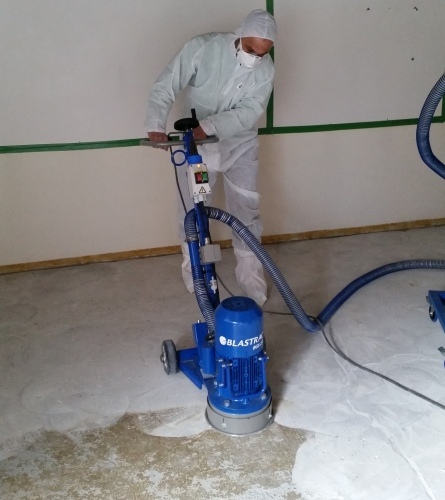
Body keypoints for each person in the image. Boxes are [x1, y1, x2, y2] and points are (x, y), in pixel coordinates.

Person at [144, 9, 276, 306]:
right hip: (197, 149)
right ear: (240, 34)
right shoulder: (204, 48)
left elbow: (249, 112)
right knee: (192, 210)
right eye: (250, 49)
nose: (255, 58)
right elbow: (167, 83)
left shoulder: (266, 70)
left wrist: (211, 126)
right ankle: (195, 272)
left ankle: (251, 277)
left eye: (263, 53)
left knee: (246, 211)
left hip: (239, 146)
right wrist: (155, 125)